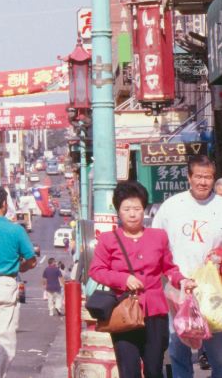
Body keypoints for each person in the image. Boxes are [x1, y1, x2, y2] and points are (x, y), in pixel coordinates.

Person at [91, 180, 195, 378]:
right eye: (127, 209)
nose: (132, 214)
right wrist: (123, 279)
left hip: (155, 313)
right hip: (124, 312)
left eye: (137, 208)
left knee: (154, 369)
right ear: (118, 211)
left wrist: (182, 281)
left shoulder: (159, 236)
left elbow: (169, 267)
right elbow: (96, 270)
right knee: (129, 371)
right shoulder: (108, 239)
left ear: (144, 210)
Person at [152, 154, 222, 377]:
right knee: (178, 347)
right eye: (199, 176)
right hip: (177, 289)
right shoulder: (171, 206)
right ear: (189, 177)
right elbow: (157, 243)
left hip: (212, 290)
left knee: (217, 351)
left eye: (208, 177)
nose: (203, 182)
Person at [0, 184, 36, 378]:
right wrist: (22, 266)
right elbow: (31, 260)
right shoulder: (15, 230)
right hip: (4, 283)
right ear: (5, 204)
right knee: (2, 340)